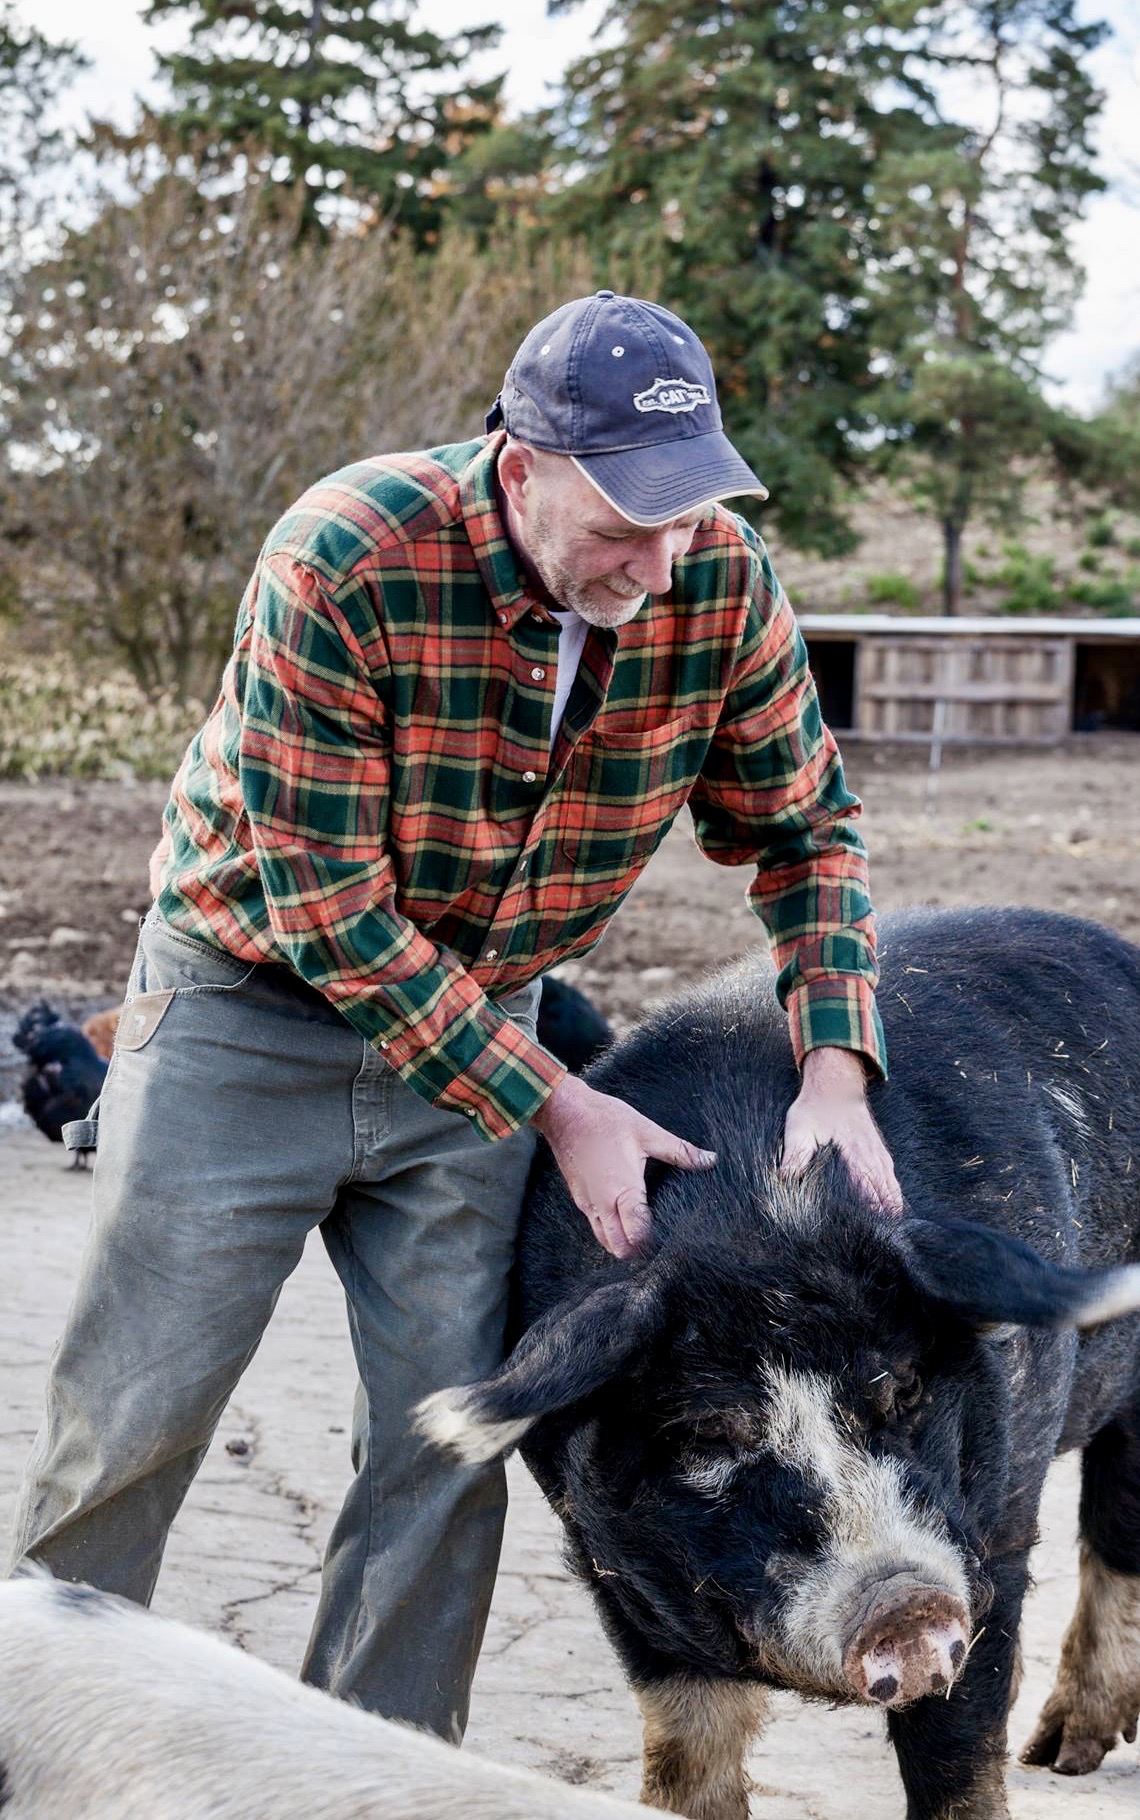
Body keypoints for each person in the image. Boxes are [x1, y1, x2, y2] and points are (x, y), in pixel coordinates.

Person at [8, 290, 900, 1740]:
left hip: (480, 1032)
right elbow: (324, 901)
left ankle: (365, 1770)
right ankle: (32, 1746)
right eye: (627, 518)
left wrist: (838, 1066)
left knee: (446, 1439)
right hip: (252, 1009)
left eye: (687, 516)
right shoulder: (347, 551)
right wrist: (561, 1098)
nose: (659, 557)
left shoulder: (715, 582)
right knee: (135, 1419)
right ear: (522, 460)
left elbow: (806, 830)